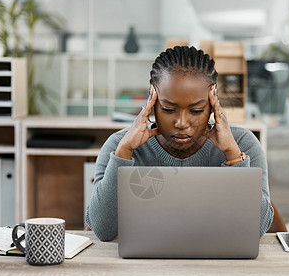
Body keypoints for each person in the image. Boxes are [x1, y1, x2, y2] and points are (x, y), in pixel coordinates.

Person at [86, 46, 274, 241]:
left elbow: (257, 230)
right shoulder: (120, 145)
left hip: (220, 266)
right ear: (152, 100)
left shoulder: (242, 144)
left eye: (196, 110)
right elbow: (103, 229)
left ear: (212, 103)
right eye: (168, 109)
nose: (182, 124)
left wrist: (233, 156)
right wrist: (124, 152)